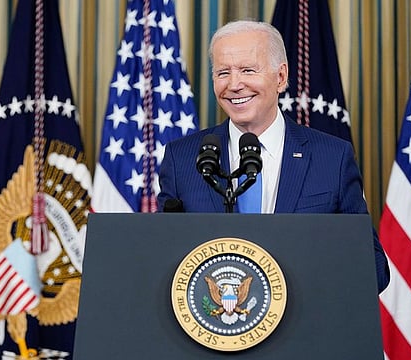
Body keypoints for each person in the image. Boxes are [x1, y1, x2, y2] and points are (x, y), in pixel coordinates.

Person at [157, 20, 389, 293]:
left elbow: (373, 270)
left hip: (305, 329)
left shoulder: (332, 158)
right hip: (214, 324)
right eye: (222, 73)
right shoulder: (182, 158)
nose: (234, 85)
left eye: (247, 70)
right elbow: (162, 263)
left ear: (280, 77)